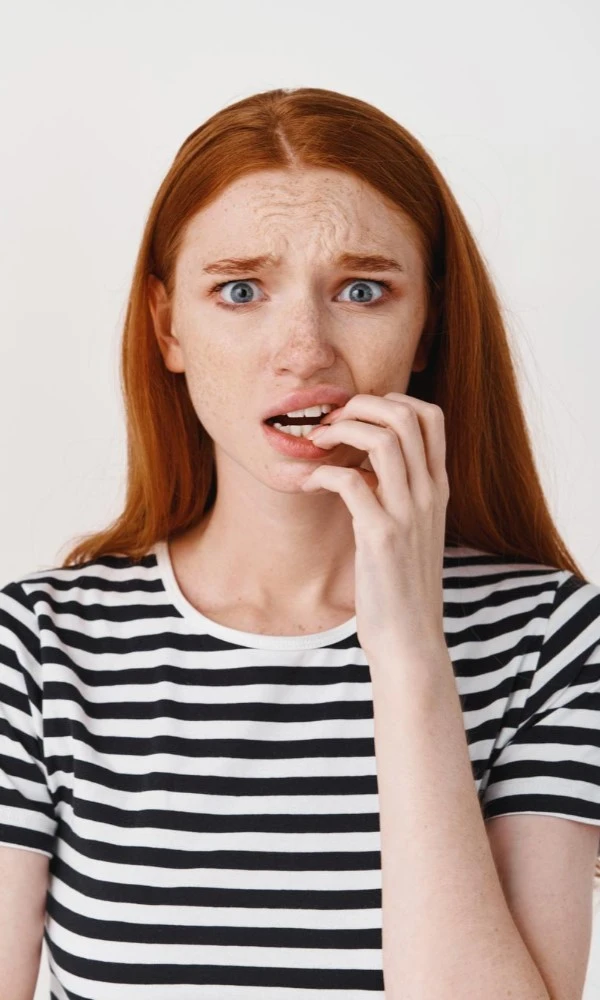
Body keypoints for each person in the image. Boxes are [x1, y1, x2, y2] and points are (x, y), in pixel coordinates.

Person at [1, 86, 599, 1000]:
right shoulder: (39, 651)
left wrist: (407, 648)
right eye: (239, 290)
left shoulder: (555, 640)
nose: (303, 349)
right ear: (169, 327)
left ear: (429, 320)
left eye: (363, 289)